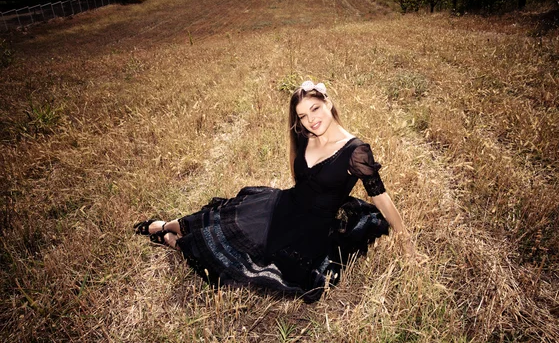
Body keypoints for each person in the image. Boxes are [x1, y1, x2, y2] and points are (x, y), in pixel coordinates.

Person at [134, 81, 417, 302]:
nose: (310, 120)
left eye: (315, 109)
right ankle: (166, 225)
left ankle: (171, 239)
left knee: (241, 263)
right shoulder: (305, 137)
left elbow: (380, 196)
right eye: (303, 115)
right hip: (282, 205)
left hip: (309, 230)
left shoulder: (356, 152)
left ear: (327, 102)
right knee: (223, 217)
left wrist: (405, 240)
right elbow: (300, 182)